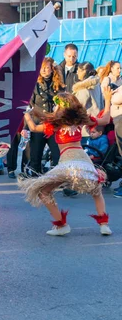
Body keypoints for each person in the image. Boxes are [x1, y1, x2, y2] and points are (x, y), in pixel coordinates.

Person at [21, 90, 113, 236]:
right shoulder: (81, 120)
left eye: (56, 105)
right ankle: (104, 225)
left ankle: (61, 225)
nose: (54, 108)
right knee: (96, 191)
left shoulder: (55, 123)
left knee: (43, 191)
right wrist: (108, 100)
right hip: (83, 161)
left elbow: (33, 128)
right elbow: (106, 120)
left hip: (67, 164)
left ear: (62, 107)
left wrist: (25, 112)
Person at [26, 58, 66, 179]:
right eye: (42, 67)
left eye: (47, 67)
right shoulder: (34, 84)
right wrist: (25, 127)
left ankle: (59, 178)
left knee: (57, 152)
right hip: (38, 122)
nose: (44, 70)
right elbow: (28, 107)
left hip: (54, 123)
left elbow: (64, 104)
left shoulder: (58, 85)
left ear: (52, 69)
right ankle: (35, 176)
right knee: (36, 153)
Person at [73, 62, 103, 141]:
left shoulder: (84, 88)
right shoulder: (96, 85)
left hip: (84, 128)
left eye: (79, 70)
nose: (77, 72)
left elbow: (77, 108)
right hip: (95, 124)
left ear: (85, 71)